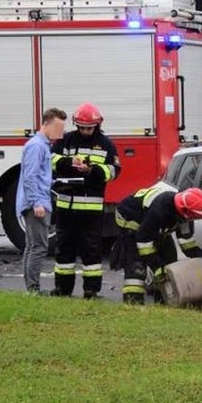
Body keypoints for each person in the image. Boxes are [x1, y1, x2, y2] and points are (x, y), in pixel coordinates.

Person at [50, 103, 121, 299]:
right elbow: (51, 159)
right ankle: (62, 289)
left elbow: (114, 170)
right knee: (64, 249)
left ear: (97, 125)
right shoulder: (66, 140)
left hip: (91, 208)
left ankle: (91, 290)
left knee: (92, 251)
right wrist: (70, 163)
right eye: (81, 127)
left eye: (89, 128)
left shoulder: (106, 144)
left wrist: (92, 171)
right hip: (66, 206)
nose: (85, 131)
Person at [115, 186, 202, 305]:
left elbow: (186, 240)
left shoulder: (185, 208)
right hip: (131, 221)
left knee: (170, 258)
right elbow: (143, 241)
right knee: (136, 265)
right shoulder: (159, 211)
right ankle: (133, 305)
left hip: (152, 227)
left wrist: (199, 258)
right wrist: (156, 266)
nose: (195, 220)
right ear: (185, 213)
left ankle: (162, 302)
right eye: (195, 217)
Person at [16, 108, 67, 295]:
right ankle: (34, 289)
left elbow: (38, 176)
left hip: (37, 200)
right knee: (38, 247)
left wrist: (55, 182)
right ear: (45, 124)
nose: (60, 133)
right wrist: (37, 202)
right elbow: (30, 177)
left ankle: (32, 288)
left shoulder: (41, 145)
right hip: (36, 204)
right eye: (57, 128)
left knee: (32, 246)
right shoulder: (37, 146)